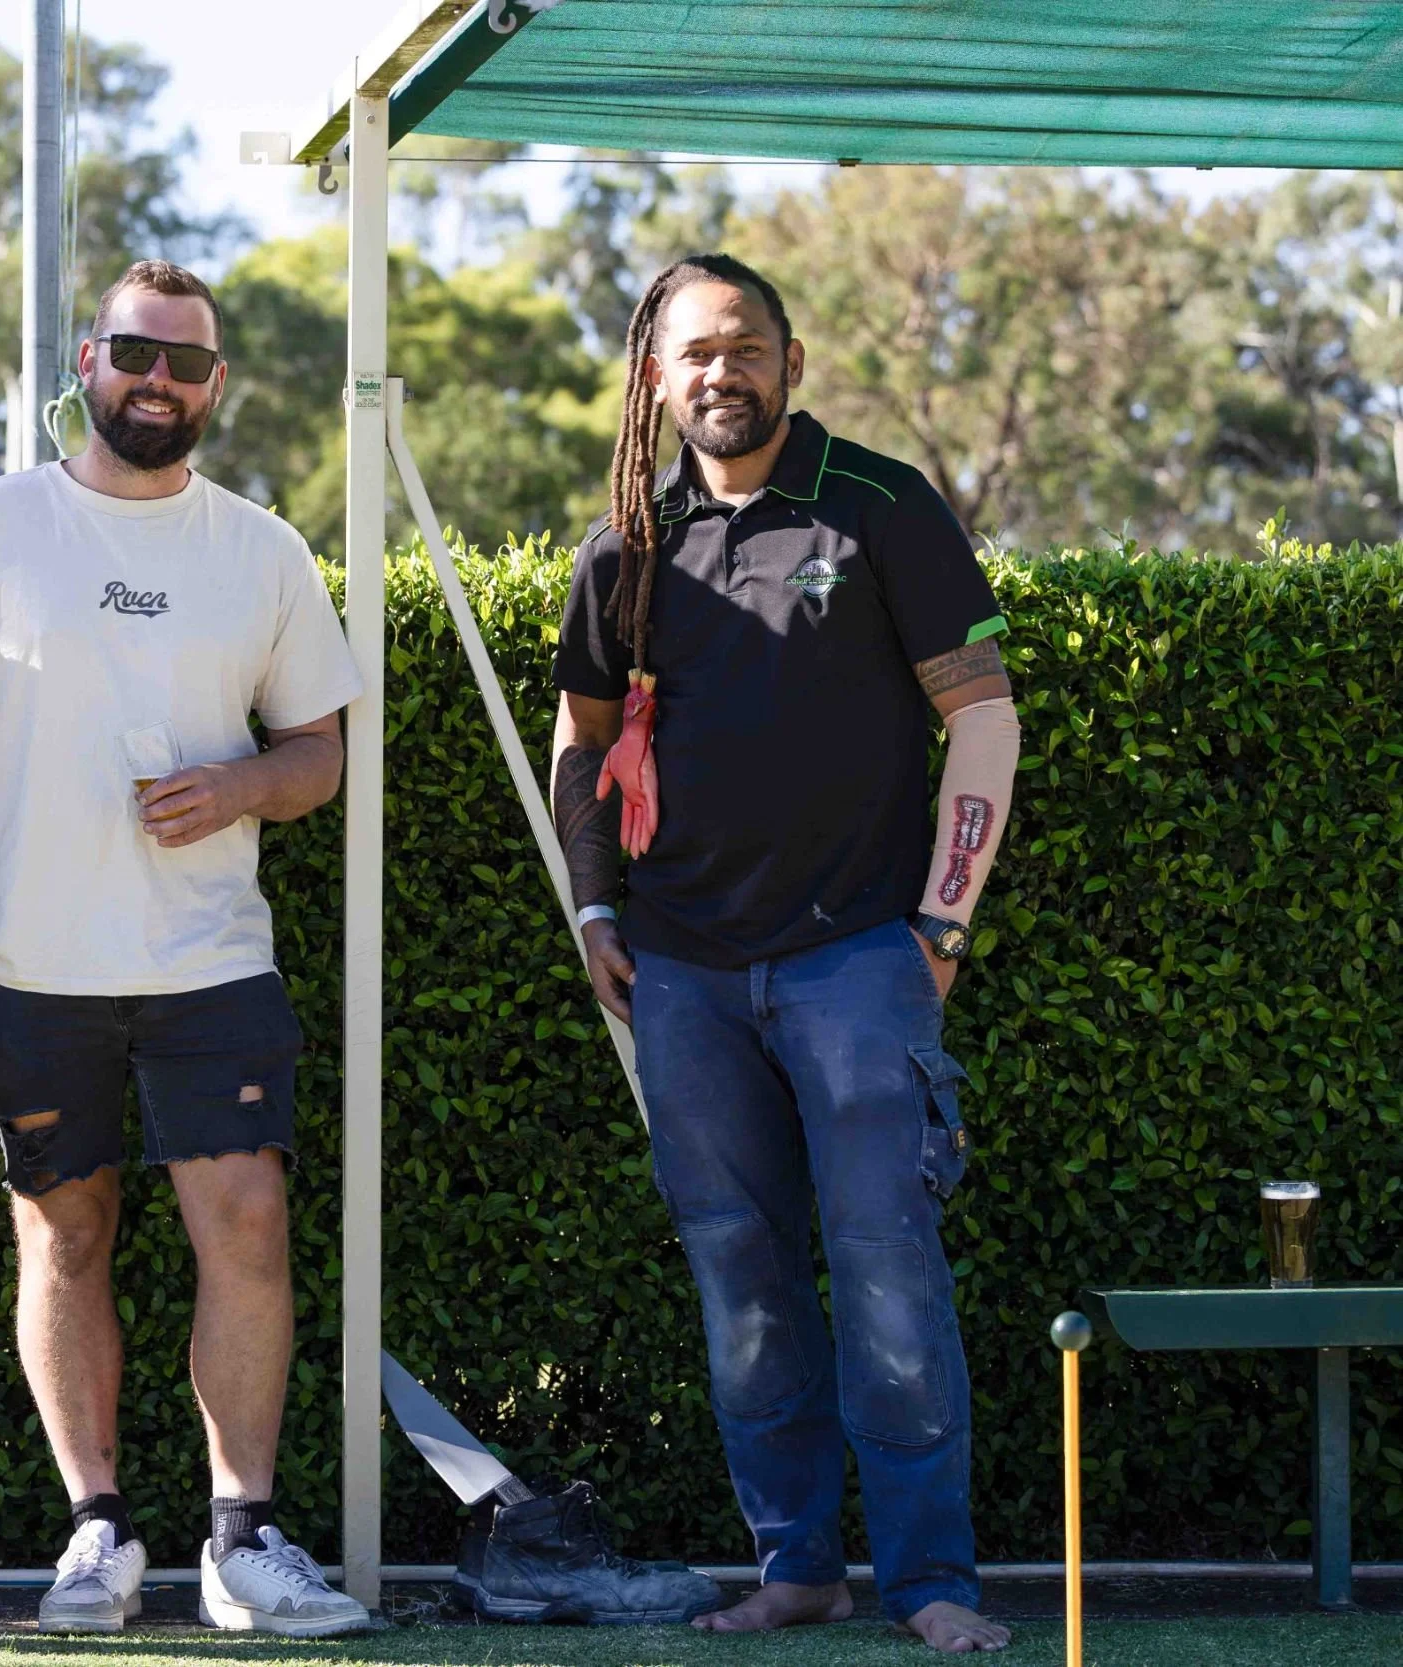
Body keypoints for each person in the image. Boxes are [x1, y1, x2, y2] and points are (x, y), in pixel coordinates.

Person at [0, 260, 368, 1637]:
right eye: (137, 354)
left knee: (249, 1225)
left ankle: (242, 1538)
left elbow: (318, 752)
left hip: (212, 964)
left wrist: (242, 786)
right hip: (28, 967)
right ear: (88, 357)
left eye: (187, 365)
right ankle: (96, 1531)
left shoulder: (260, 549)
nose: (159, 382)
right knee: (64, 1235)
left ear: (216, 388)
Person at [549, 253, 1021, 1656]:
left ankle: (933, 1578)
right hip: (685, 974)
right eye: (691, 350)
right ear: (655, 376)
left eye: (743, 343)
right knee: (743, 1284)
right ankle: (797, 1563)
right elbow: (581, 734)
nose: (719, 369)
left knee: (889, 1272)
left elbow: (982, 716)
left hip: (860, 959)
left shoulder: (882, 507)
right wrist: (592, 908)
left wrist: (943, 920)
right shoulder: (624, 543)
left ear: (791, 360)